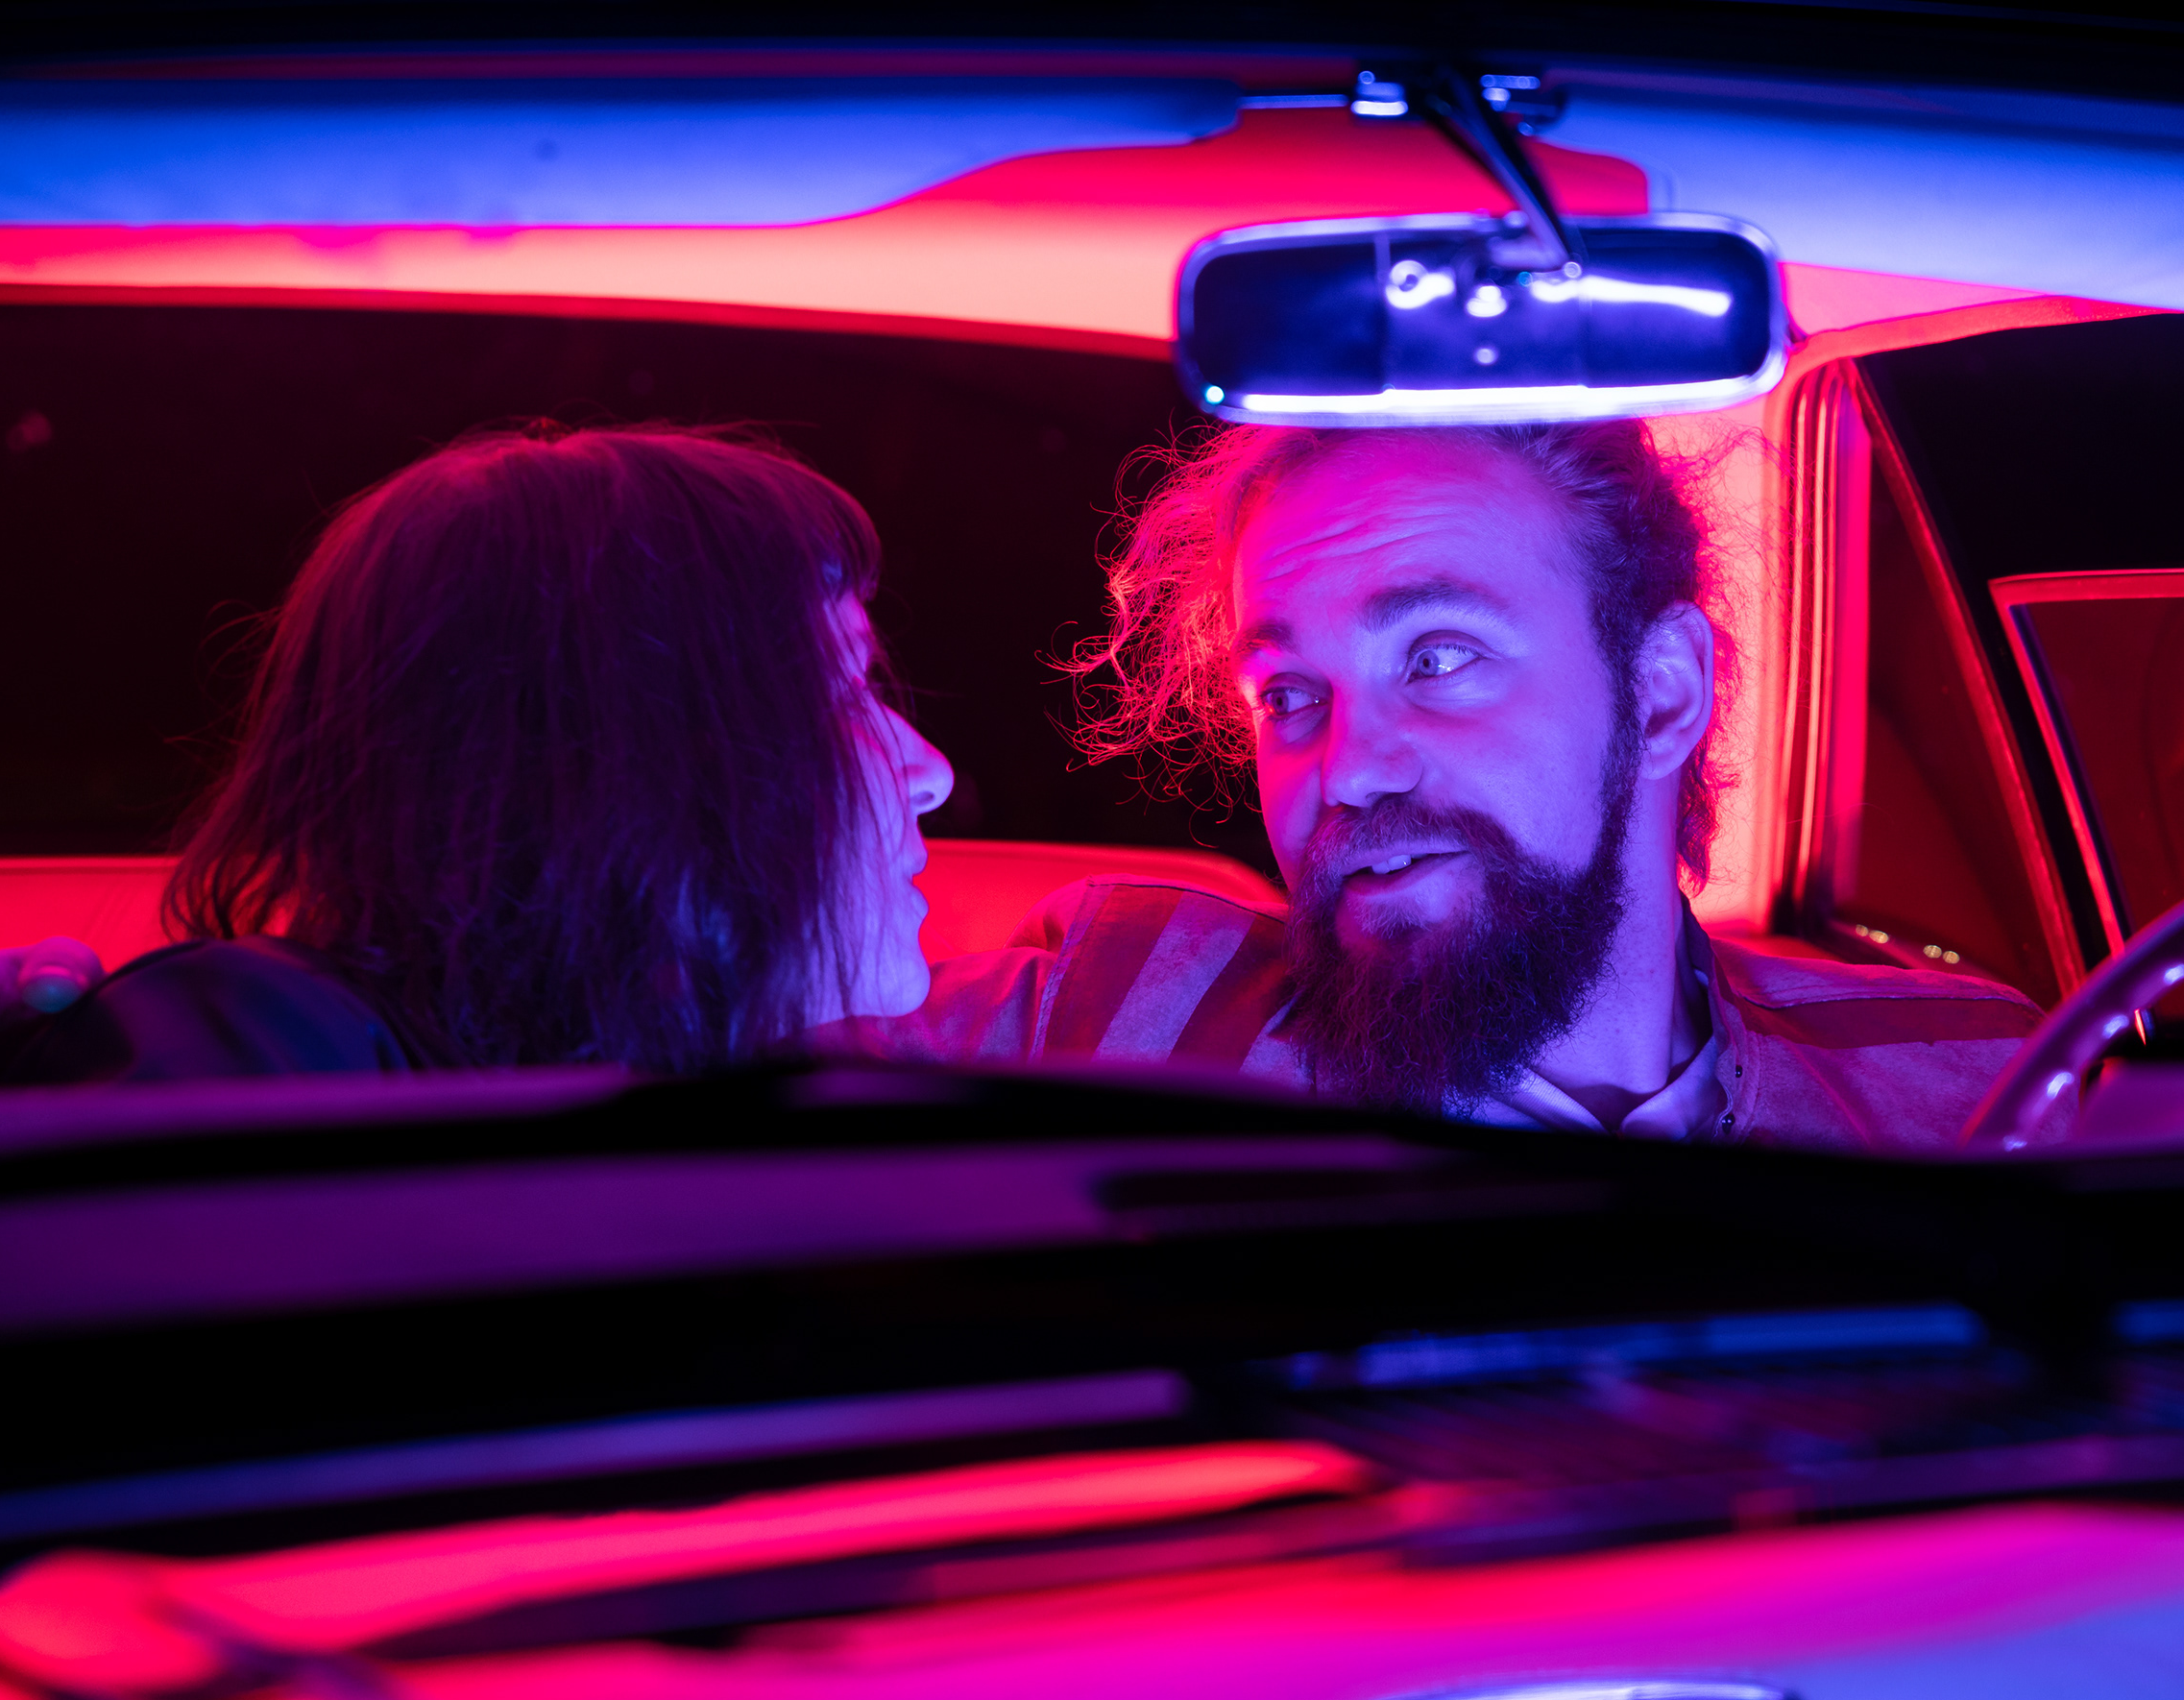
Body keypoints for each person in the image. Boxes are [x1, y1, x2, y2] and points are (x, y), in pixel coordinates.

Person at [837, 420, 2037, 1154]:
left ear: (1665, 692)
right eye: (1288, 694)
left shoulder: (1970, 1083)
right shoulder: (1108, 1016)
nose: (1348, 767)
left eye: (1438, 659)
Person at [0, 424, 954, 1088]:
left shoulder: (645, 1085)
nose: (931, 772)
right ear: (624, 761)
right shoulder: (259, 1053)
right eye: (840, 692)